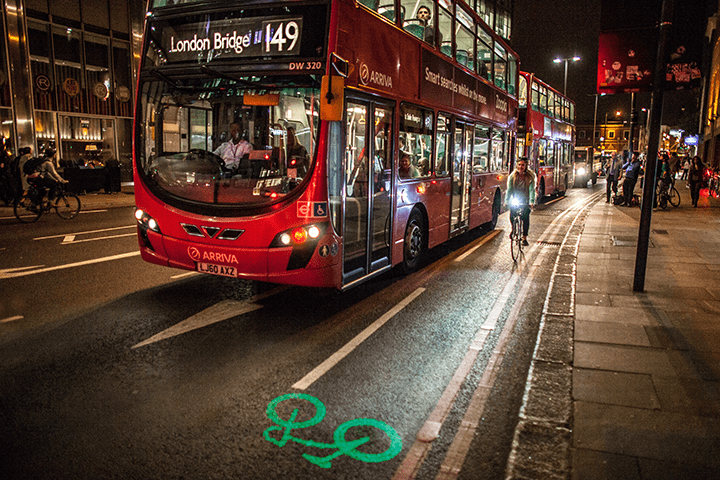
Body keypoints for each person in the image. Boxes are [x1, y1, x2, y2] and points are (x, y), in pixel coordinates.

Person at [505, 158, 536, 246]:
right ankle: (513, 228)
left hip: (526, 199)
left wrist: (531, 201)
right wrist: (507, 201)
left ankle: (524, 238)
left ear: (526, 166)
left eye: (522, 165)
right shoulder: (513, 176)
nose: (520, 167)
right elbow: (509, 189)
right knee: (512, 214)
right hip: (516, 198)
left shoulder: (530, 176)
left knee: (525, 217)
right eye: (519, 165)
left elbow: (532, 190)